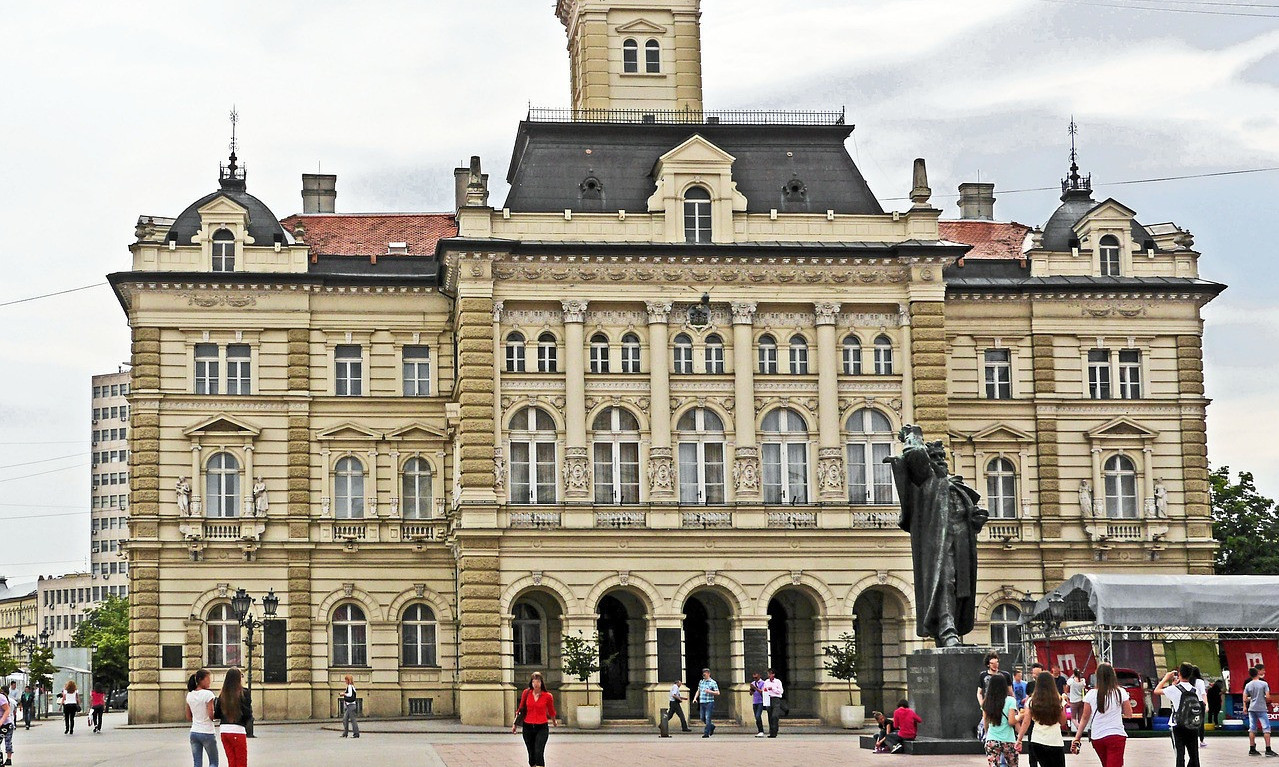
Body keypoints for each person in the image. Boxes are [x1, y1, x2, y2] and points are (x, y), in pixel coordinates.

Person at [1071, 662, 1133, 767]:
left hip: (1097, 736)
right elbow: (1129, 714)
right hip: (1116, 735)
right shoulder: (1120, 692)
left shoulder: (1091, 694)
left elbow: (1085, 718)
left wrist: (1077, 737)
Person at [1155, 662, 1203, 767]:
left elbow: (1156, 691)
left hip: (1177, 725)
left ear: (1179, 673)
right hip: (1192, 725)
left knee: (1180, 755)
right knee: (1194, 755)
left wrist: (1166, 678)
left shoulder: (1174, 689)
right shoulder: (1195, 690)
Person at [1017, 671, 1069, 767]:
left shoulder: (1032, 701)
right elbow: (1063, 721)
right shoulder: (1058, 700)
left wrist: (1019, 739)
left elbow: (1026, 722)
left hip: (1037, 740)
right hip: (1055, 740)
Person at [510, 671, 556, 767]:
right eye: (534, 681)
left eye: (538, 681)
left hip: (542, 727)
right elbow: (520, 708)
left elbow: (551, 710)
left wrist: (554, 721)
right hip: (528, 727)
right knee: (531, 755)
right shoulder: (526, 693)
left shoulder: (548, 696)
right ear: (531, 683)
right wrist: (515, 724)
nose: (536, 684)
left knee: (539, 752)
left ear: (541, 683)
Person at [214, 668, 253, 767]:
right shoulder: (244, 693)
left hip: (224, 731)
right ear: (239, 678)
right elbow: (247, 713)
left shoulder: (222, 694)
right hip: (238, 730)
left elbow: (217, 714)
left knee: (231, 761)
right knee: (241, 762)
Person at [982, 673, 1021, 767]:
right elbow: (1011, 721)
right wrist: (1020, 717)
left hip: (992, 738)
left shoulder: (987, 702)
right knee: (1013, 765)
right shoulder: (1010, 700)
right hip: (1008, 739)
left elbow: (985, 721)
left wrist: (987, 734)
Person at [185, 669, 219, 767]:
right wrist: (218, 717)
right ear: (200, 680)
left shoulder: (190, 695)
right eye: (208, 679)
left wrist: (197, 720)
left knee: (197, 763)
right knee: (213, 762)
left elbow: (188, 716)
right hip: (207, 732)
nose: (210, 682)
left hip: (194, 732)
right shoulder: (208, 694)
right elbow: (211, 715)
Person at [1242, 665, 1277, 758]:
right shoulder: (1264, 684)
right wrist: (1262, 698)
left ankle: (1252, 749)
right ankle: (1268, 749)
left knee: (1252, 728)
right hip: (1261, 708)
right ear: (1257, 673)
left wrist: (1252, 698)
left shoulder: (1248, 685)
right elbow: (1268, 697)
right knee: (1266, 728)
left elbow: (1245, 698)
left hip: (1252, 708)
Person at [977, 651, 1013, 739]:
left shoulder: (1005, 675)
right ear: (988, 664)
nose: (995, 665)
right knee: (987, 722)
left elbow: (1010, 692)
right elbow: (979, 692)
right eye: (992, 663)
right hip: (988, 703)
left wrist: (1013, 704)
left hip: (1003, 703)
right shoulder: (983, 675)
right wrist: (982, 704)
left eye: (996, 662)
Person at [695, 668, 719, 738]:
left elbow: (717, 692)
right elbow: (698, 690)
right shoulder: (701, 682)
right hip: (702, 702)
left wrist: (710, 691)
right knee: (702, 718)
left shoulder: (713, 682)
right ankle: (711, 726)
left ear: (708, 674)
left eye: (705, 674)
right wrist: (695, 698)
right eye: (703, 674)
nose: (703, 675)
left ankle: (706, 733)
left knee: (708, 717)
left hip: (709, 702)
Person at [762, 668, 785, 738]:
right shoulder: (766, 682)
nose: (769, 675)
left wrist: (773, 689)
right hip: (768, 698)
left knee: (774, 715)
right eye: (768, 673)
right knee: (770, 715)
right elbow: (764, 690)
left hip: (776, 699)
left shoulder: (777, 682)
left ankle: (775, 730)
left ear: (773, 674)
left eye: (770, 673)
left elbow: (781, 691)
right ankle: (772, 732)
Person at [749, 671, 766, 736]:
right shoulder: (753, 683)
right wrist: (751, 689)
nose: (755, 679)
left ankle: (761, 731)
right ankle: (759, 730)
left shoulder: (763, 683)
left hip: (760, 702)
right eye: (754, 678)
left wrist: (755, 688)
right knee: (756, 717)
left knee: (758, 716)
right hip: (755, 701)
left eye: (756, 677)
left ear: (759, 676)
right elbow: (751, 694)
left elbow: (762, 692)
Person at [0, 682, 13, 766]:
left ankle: (7, 759)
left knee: (8, 742)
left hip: (6, 724)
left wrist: (1, 721)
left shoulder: (1, 698)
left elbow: (7, 710)